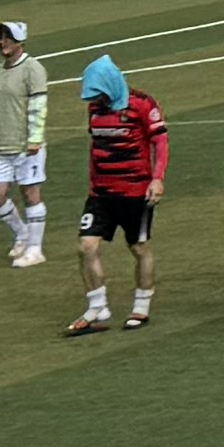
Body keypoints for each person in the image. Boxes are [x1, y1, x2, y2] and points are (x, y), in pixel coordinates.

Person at [73, 56, 167, 328]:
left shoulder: (142, 103)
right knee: (86, 246)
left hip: (136, 192)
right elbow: (96, 146)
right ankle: (97, 307)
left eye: (99, 92)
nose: (97, 99)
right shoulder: (95, 108)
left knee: (138, 247)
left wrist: (157, 179)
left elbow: (160, 142)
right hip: (101, 193)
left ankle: (141, 307)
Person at [0, 21, 53, 264]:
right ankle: (22, 234)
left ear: (20, 41)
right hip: (1, 145)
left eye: (7, 38)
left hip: (25, 146)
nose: (2, 43)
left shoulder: (33, 69)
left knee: (30, 194)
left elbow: (38, 106)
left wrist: (34, 139)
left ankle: (35, 249)